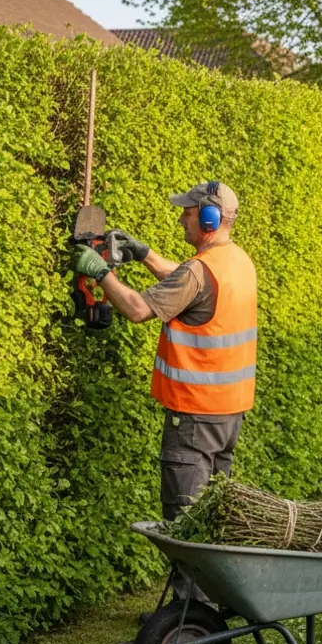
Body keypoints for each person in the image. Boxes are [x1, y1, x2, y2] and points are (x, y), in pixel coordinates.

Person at [72, 181, 257, 522]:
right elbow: (189, 282)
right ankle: (204, 577)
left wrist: (101, 272)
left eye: (187, 213)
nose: (181, 220)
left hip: (195, 416)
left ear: (209, 219)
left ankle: (186, 579)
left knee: (186, 520)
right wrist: (144, 254)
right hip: (227, 416)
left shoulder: (200, 271)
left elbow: (138, 309)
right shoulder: (237, 261)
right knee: (210, 515)